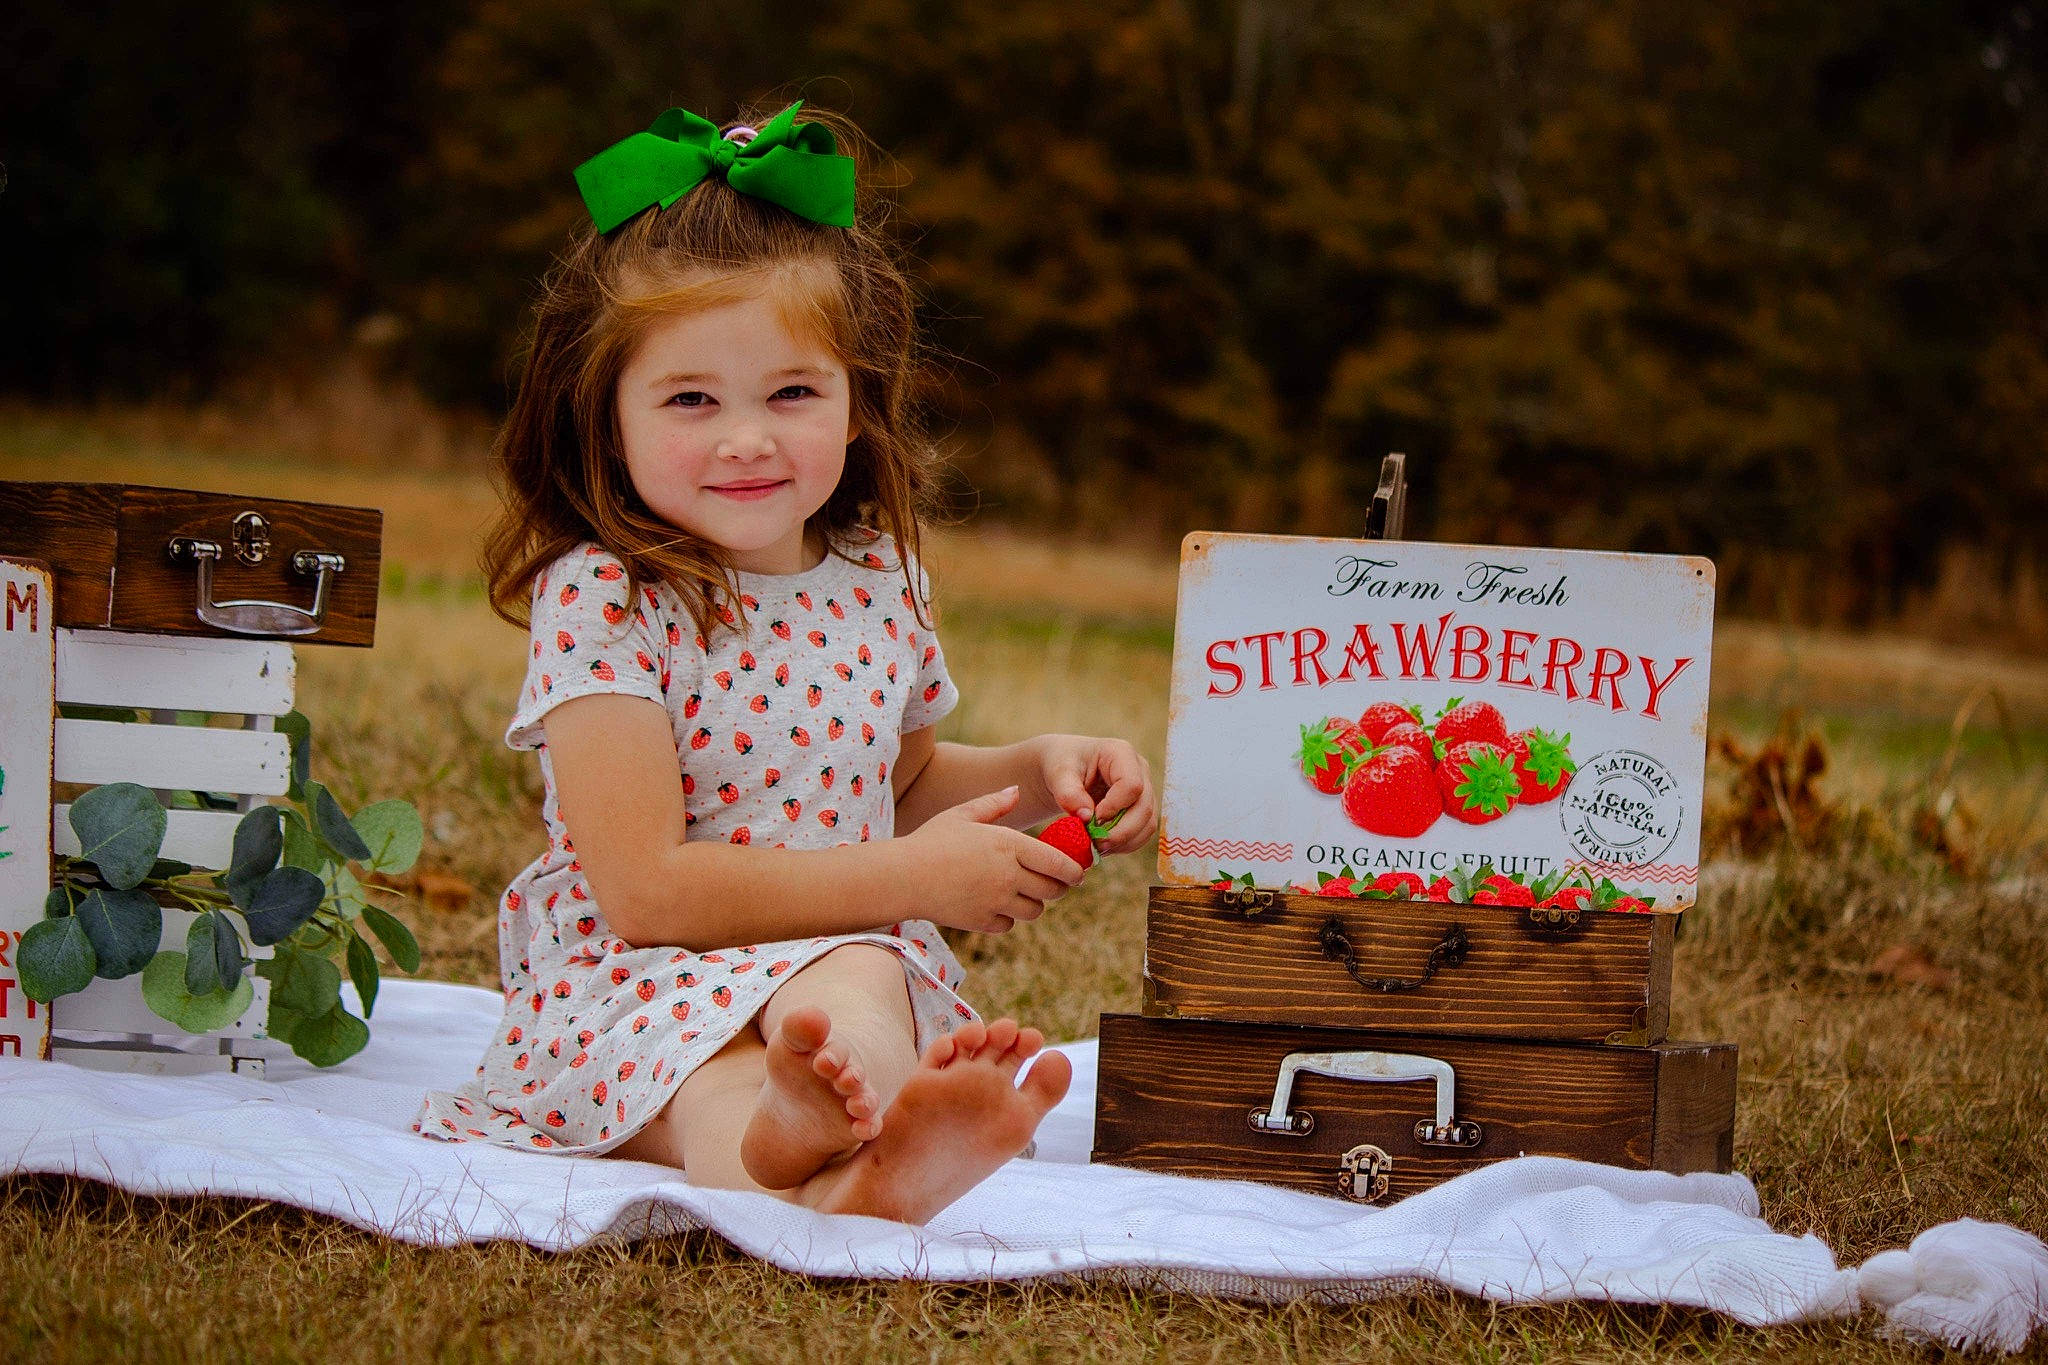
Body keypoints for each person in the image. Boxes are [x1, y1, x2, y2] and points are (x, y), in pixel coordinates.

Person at [410, 99, 1158, 1226]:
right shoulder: (607, 600)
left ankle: (852, 1142)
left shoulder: (874, 577)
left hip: (826, 961)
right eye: (691, 400)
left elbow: (895, 785)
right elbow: (646, 891)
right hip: (635, 983)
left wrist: (1036, 771)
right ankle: (825, 1116)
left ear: (857, 401)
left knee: (840, 986)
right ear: (603, 415)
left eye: (792, 393)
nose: (747, 437)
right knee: (724, 1067)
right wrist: (907, 884)